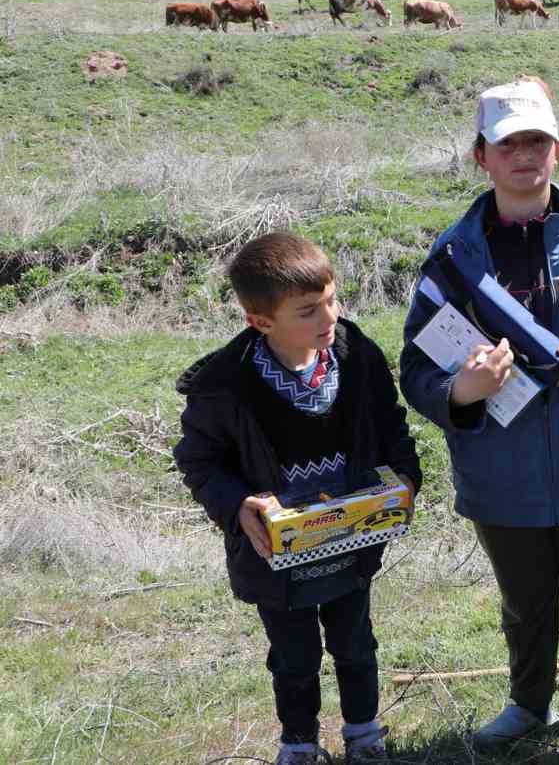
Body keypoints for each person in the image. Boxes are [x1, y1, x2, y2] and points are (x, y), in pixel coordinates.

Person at [399, 78, 559, 750]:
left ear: (558, 150)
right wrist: (463, 390)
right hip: (500, 467)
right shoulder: (453, 258)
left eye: (536, 141)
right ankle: (528, 702)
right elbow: (417, 370)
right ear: (480, 157)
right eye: (507, 144)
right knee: (524, 600)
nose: (523, 155)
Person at [174, 231, 423, 765]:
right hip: (276, 557)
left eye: (331, 300)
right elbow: (199, 460)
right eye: (308, 311)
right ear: (260, 321)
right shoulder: (224, 384)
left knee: (356, 643)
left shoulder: (357, 357)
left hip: (352, 540)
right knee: (294, 657)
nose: (328, 317)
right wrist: (236, 506)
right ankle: (300, 744)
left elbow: (391, 426)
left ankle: (364, 737)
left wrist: (405, 477)